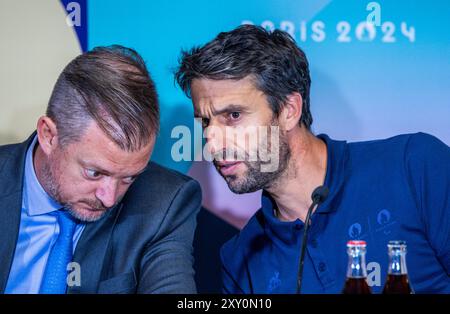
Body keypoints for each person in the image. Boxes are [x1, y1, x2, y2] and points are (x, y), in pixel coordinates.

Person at [175, 25, 450, 293]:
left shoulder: (415, 165)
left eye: (233, 116)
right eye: (205, 123)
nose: (212, 141)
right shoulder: (239, 260)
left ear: (289, 110)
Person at [0, 45, 201, 294]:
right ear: (49, 136)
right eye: (94, 173)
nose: (109, 198)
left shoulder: (163, 204)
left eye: (129, 177)